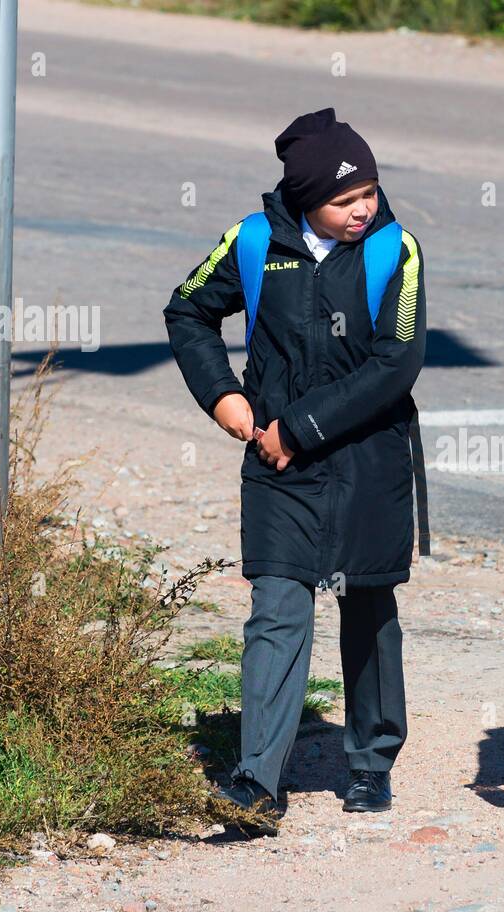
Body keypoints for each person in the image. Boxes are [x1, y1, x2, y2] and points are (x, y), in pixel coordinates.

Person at [165, 108, 426, 831]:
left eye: (369, 191)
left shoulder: (394, 249)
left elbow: (396, 362)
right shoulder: (253, 242)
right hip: (277, 471)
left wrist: (298, 429)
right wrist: (225, 400)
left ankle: (371, 763)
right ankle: (257, 781)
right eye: (346, 199)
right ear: (306, 199)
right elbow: (187, 312)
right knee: (276, 611)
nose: (363, 209)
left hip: (366, 462)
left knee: (368, 607)